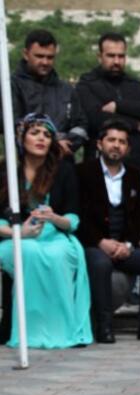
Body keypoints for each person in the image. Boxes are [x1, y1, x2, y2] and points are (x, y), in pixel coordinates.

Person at [0, 114, 92, 348]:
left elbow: (73, 219)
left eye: (47, 134)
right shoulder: (6, 171)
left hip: (54, 235)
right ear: (22, 138)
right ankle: (26, 330)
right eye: (35, 133)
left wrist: (54, 217)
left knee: (59, 254)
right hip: (14, 236)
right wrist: (20, 234)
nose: (42, 138)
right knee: (27, 251)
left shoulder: (64, 171)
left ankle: (57, 329)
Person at [77, 120, 140, 344]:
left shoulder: (134, 174)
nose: (116, 146)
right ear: (99, 144)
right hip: (94, 243)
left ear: (128, 148)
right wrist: (99, 241)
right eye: (111, 140)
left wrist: (129, 244)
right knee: (100, 264)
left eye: (122, 142)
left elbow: (139, 218)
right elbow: (79, 215)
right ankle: (104, 325)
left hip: (123, 244)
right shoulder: (84, 172)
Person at [76, 32, 140, 174]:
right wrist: (134, 123)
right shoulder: (87, 84)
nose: (116, 61)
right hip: (99, 168)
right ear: (99, 56)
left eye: (121, 56)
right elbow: (95, 119)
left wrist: (118, 106)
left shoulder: (134, 84)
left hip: (136, 167)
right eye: (111, 56)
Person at [9, 29, 88, 159]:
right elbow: (10, 123)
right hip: (25, 165)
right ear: (25, 54)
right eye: (39, 56)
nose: (45, 62)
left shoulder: (66, 90)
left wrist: (70, 144)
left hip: (62, 164)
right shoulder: (11, 87)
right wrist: (51, 144)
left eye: (50, 57)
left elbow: (81, 125)